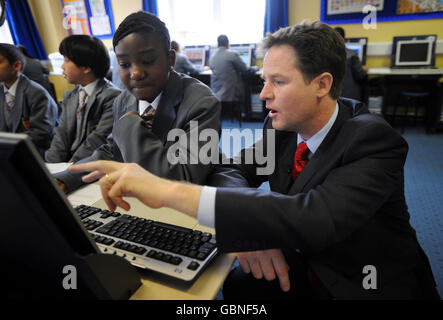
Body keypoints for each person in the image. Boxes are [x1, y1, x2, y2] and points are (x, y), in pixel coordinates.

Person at [70, 21, 440, 300]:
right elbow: (230, 170)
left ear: (322, 85)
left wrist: (165, 189)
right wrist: (250, 230)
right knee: (232, 288)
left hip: (362, 282)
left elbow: (314, 218)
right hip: (296, 264)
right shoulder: (281, 127)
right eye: (264, 80)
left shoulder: (372, 138)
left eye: (278, 82)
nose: (263, 94)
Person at [54, 11, 221, 193]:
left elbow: (185, 178)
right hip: (135, 201)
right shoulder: (123, 100)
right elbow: (112, 150)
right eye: (124, 65)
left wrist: (131, 125)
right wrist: (65, 178)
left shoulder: (201, 103)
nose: (135, 73)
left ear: (170, 60)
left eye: (147, 61)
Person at [45, 35, 121, 163]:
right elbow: (61, 134)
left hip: (90, 163)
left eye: (67, 61)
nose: (62, 67)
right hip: (68, 163)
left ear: (86, 67)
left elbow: (98, 139)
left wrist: (69, 169)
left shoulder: (112, 96)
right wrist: (50, 165)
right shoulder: (70, 96)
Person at [0, 43, 58, 155]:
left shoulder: (37, 93)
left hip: (35, 153)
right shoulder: (2, 90)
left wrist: (8, 148)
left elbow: (40, 134)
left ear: (16, 66)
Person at [209, 35, 256, 122]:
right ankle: (245, 114)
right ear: (227, 44)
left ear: (217, 44)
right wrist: (255, 68)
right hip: (230, 92)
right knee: (246, 83)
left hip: (216, 92)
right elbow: (245, 70)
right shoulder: (232, 54)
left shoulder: (212, 57)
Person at [334, 27, 368, 101]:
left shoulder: (326, 55)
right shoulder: (352, 54)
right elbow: (360, 75)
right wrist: (364, 70)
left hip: (332, 94)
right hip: (349, 95)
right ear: (343, 38)